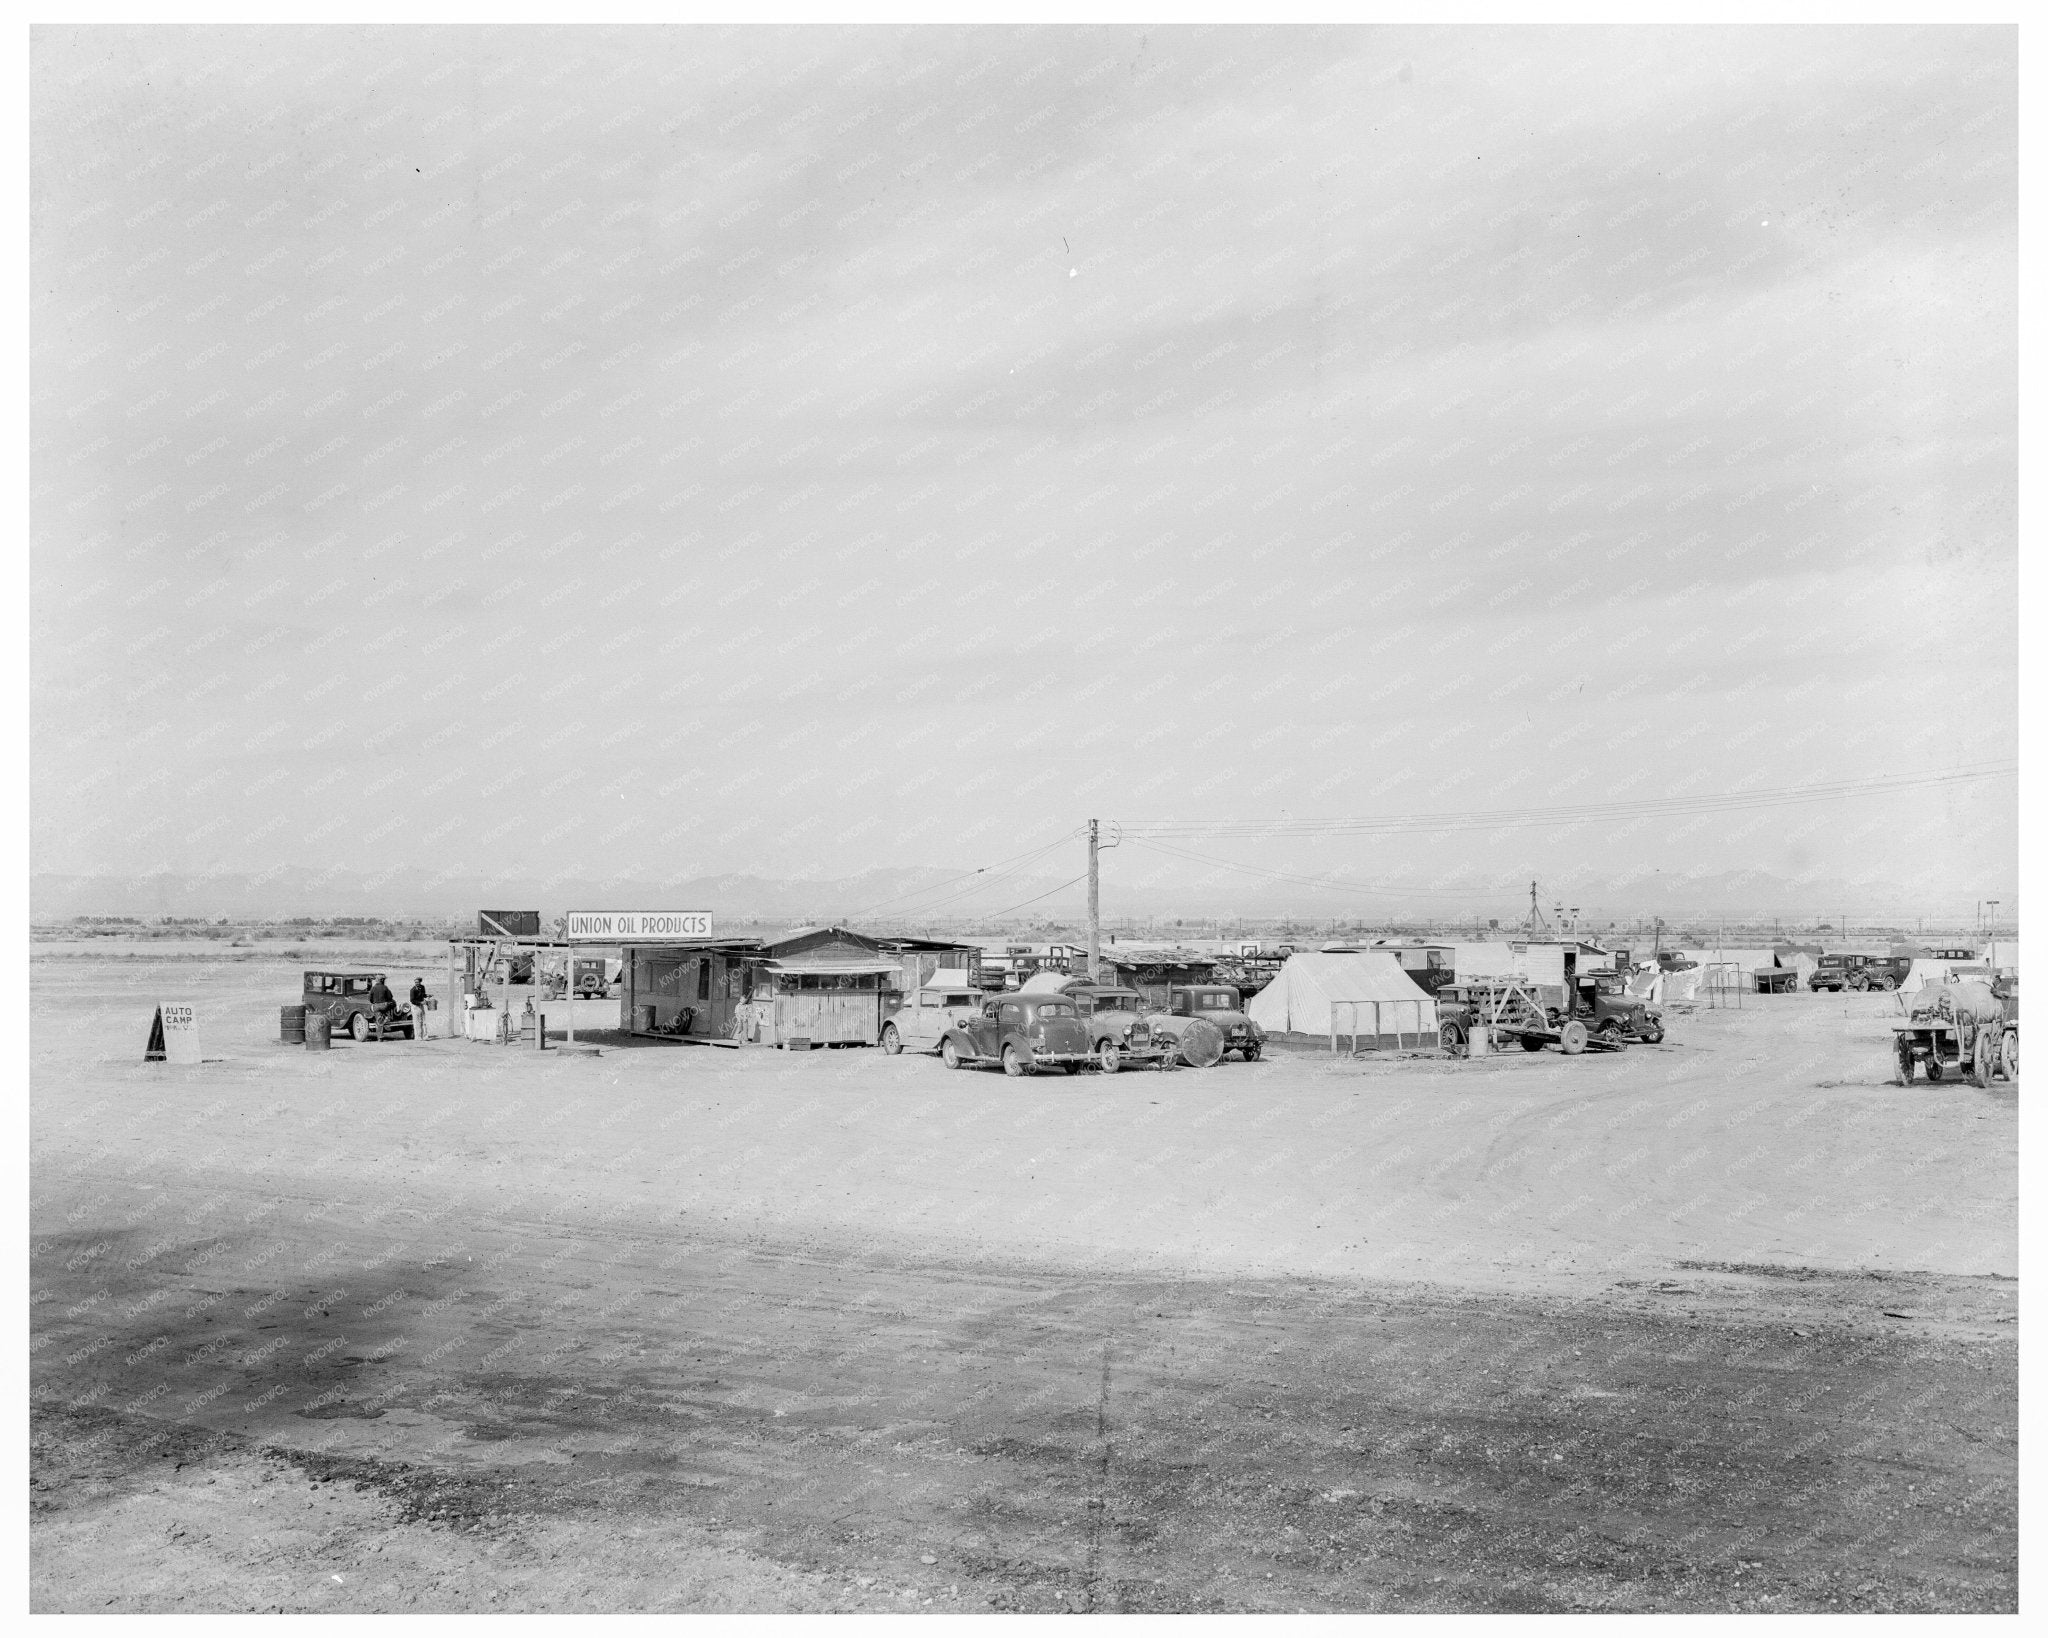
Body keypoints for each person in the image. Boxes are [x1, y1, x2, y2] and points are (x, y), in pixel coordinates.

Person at [367, 974, 398, 1041]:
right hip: (384, 1006)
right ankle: (387, 1017)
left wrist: (375, 1002)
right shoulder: (385, 987)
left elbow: (370, 999)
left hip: (376, 1006)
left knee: (379, 1022)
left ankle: (380, 1037)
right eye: (383, 979)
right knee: (393, 1003)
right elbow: (390, 997)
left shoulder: (373, 988)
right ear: (382, 980)